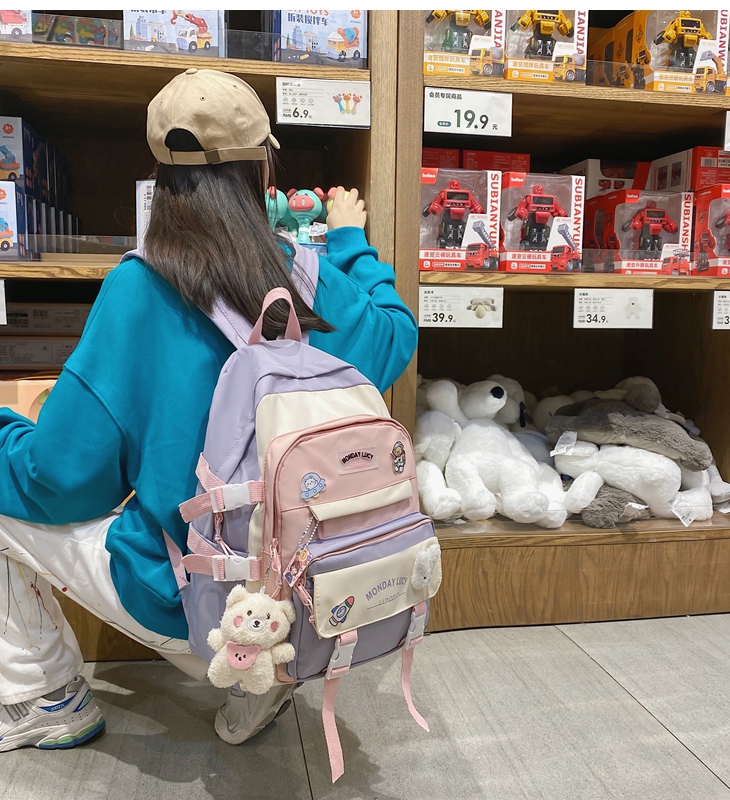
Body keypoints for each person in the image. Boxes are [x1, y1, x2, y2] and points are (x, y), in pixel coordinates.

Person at [0, 68, 418, 752]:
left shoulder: (138, 287)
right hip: (317, 595)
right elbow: (395, 335)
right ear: (264, 166)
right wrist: (348, 239)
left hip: (199, 608)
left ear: (159, 172)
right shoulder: (306, 276)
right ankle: (260, 682)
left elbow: (63, 481)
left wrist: (8, 434)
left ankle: (44, 698)